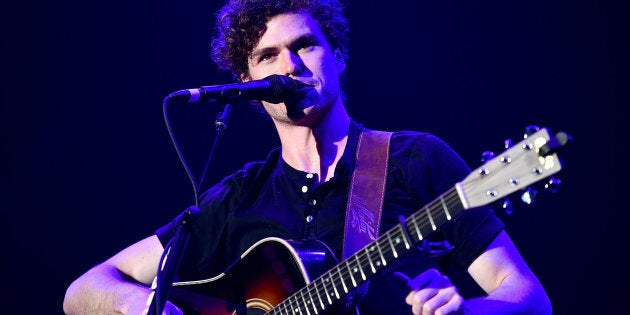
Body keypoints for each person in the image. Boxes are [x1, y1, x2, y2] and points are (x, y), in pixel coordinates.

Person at [63, 0, 552, 314]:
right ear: (250, 85)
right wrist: (147, 308)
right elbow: (84, 289)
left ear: (336, 56)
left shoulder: (414, 158)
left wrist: (468, 312)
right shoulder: (238, 197)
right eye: (268, 56)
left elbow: (529, 299)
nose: (290, 66)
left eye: (305, 46)